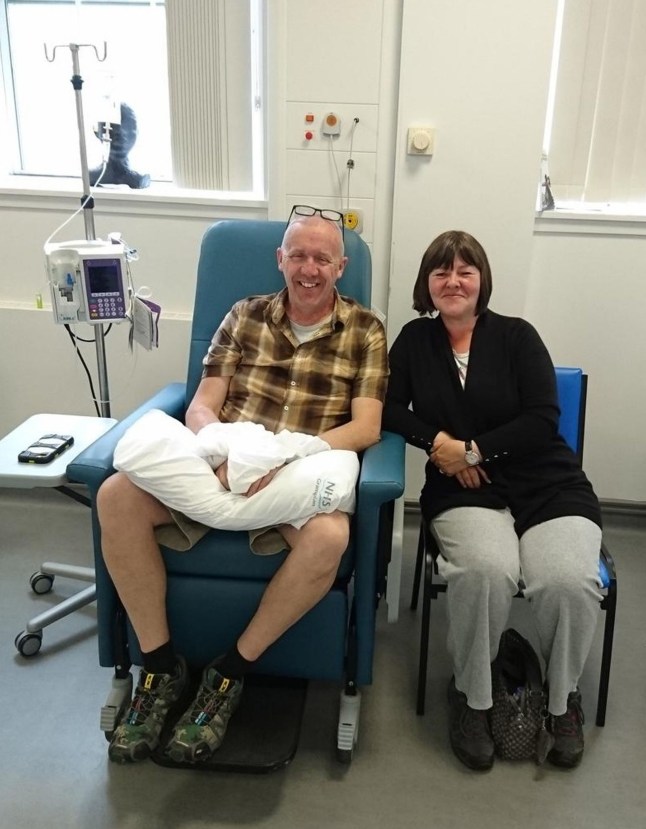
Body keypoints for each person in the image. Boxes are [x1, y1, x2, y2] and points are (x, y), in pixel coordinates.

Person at [98, 206, 388, 764]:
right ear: (280, 260)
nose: (309, 268)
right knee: (116, 496)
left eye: (321, 258)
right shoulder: (243, 315)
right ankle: (158, 668)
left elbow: (367, 426)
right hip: (221, 463)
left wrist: (284, 458)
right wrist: (225, 450)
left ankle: (228, 674)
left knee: (328, 537)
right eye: (298, 255)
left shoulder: (366, 330)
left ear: (340, 266)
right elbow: (203, 405)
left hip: (297, 473)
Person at [383, 230, 603, 771]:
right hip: (463, 492)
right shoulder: (414, 340)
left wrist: (475, 451)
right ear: (426, 283)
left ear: (482, 280)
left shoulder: (517, 336)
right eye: (441, 272)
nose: (453, 281)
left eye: (465, 270)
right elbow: (388, 409)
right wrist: (439, 446)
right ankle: (474, 699)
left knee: (567, 581)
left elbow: (543, 418)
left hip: (547, 484)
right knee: (485, 571)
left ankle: (561, 701)